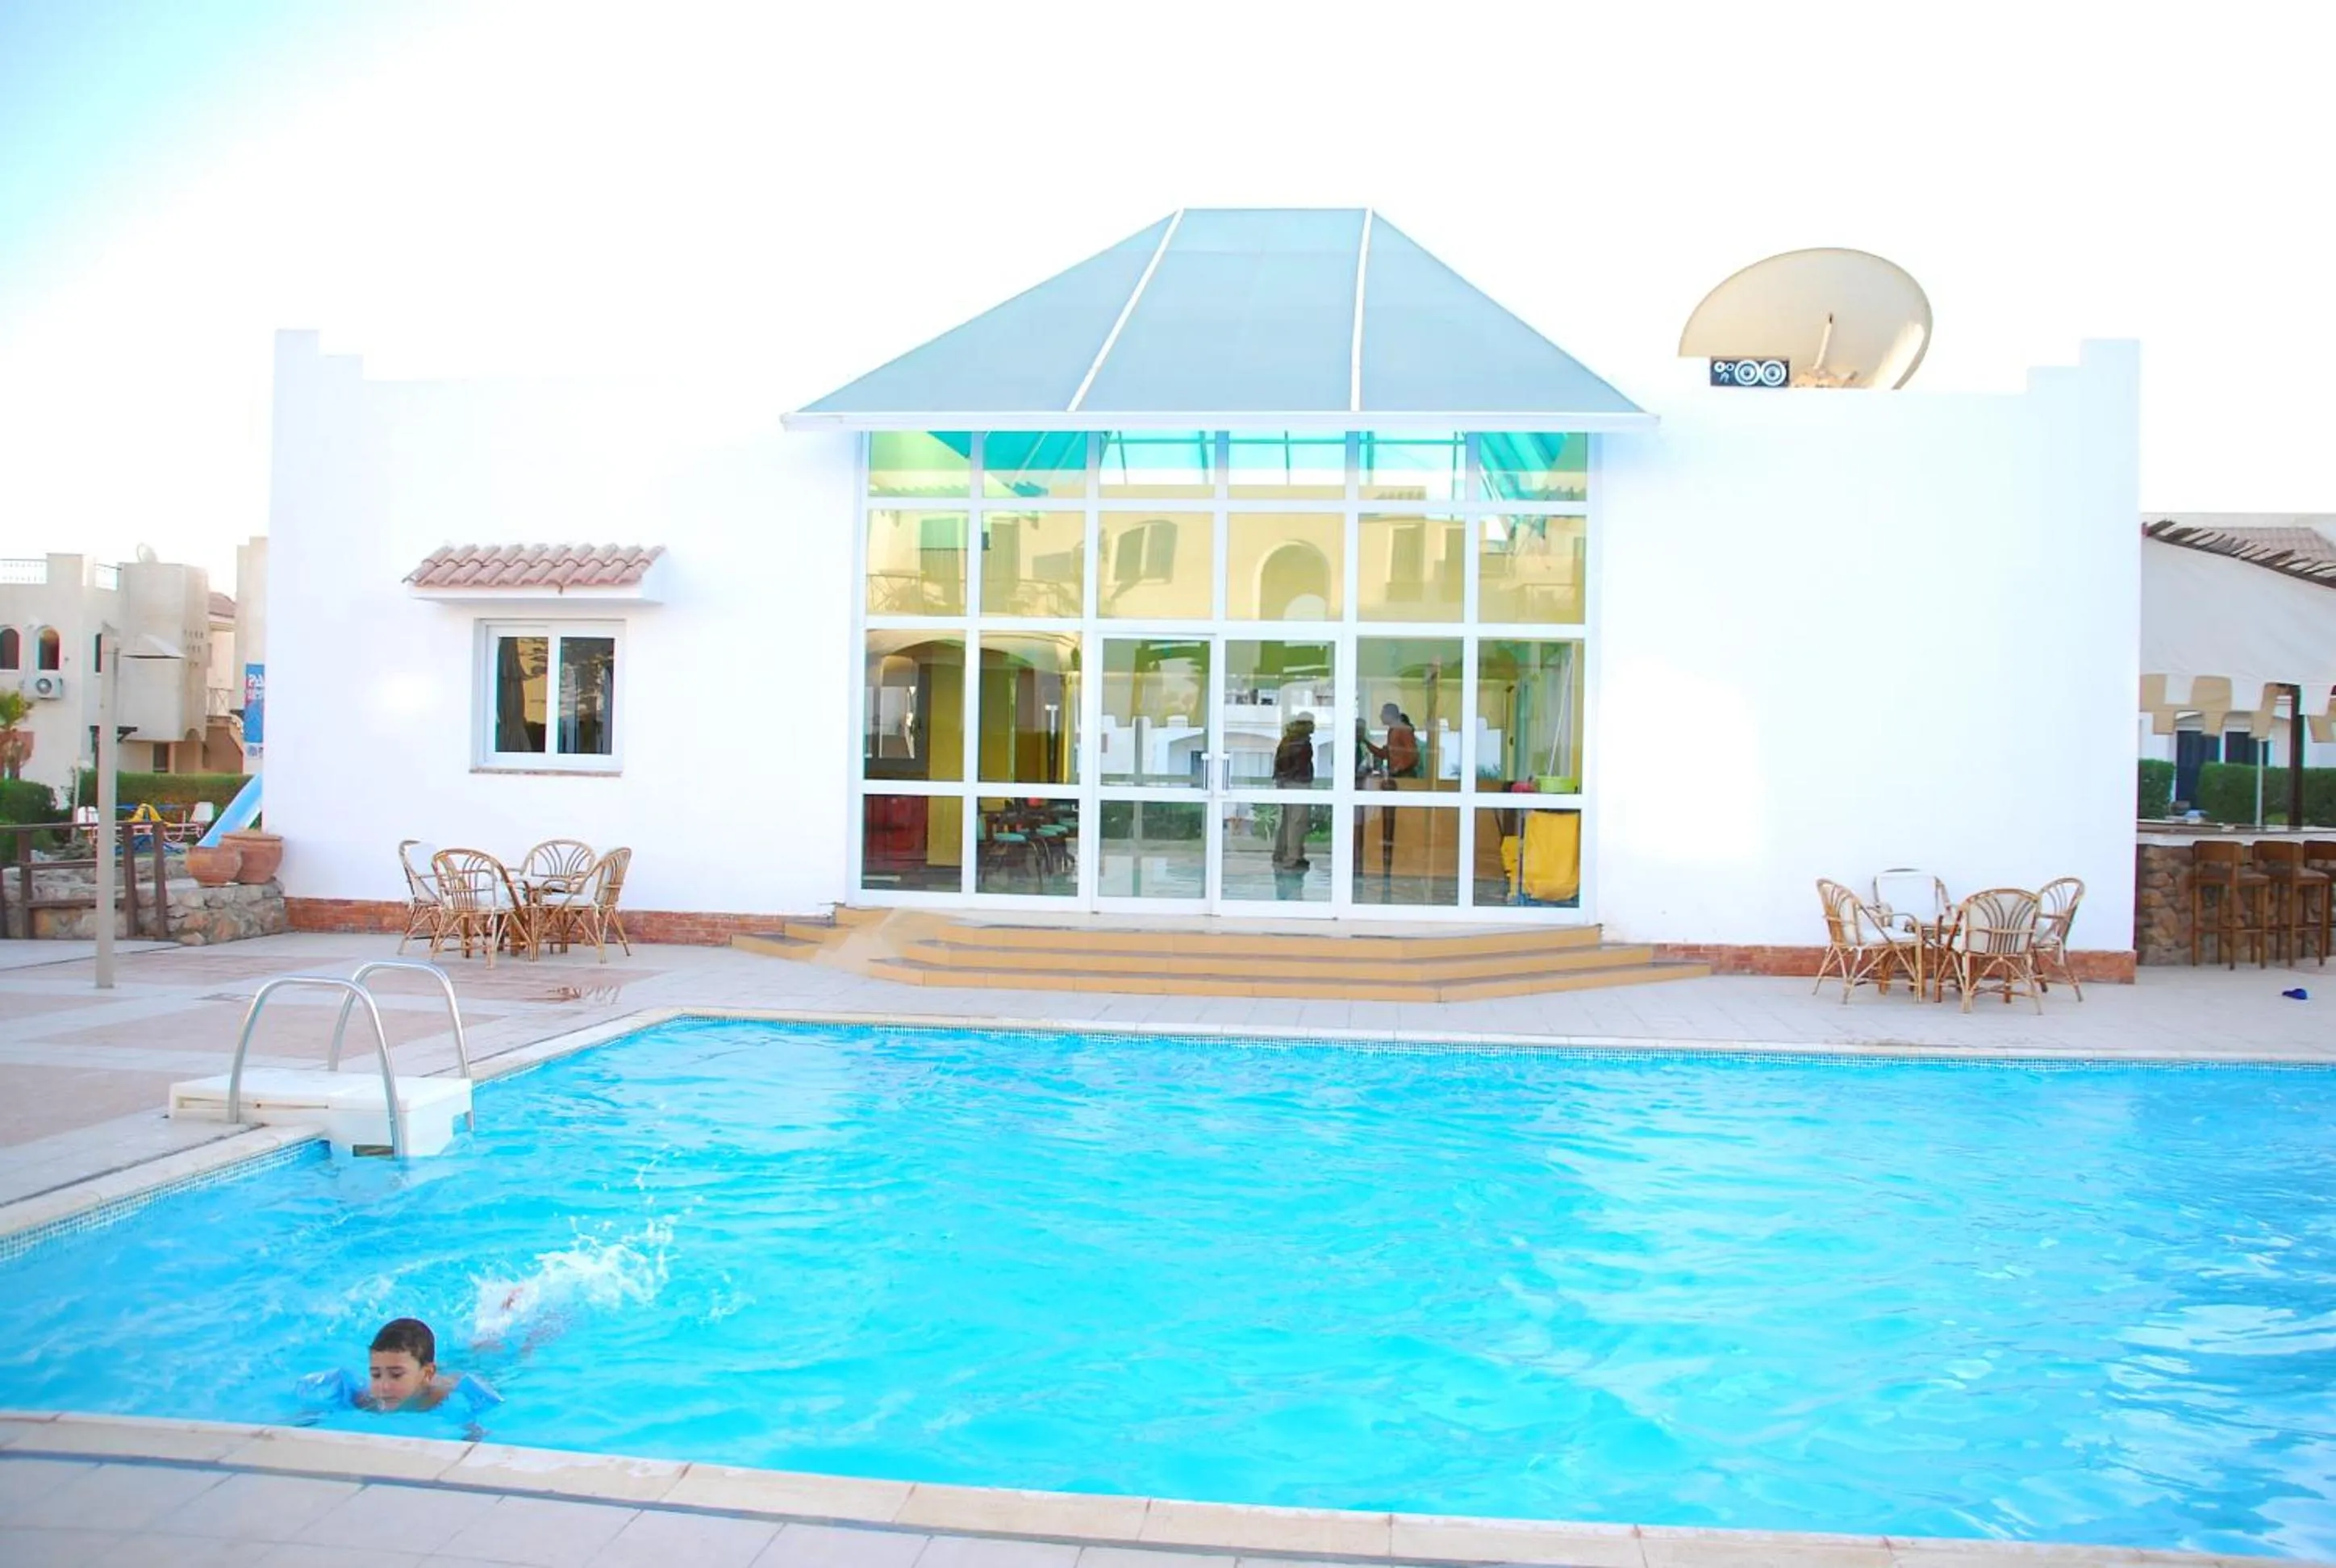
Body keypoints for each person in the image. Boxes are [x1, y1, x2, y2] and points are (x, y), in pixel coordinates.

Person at [361, 1317, 494, 1413]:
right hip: (429, 1367)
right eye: (376, 1375)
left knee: (479, 1357)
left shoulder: (444, 1397)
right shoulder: (371, 1400)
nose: (383, 1386)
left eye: (396, 1375)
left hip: (476, 1373)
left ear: (427, 1374)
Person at [1270, 716, 1316, 873]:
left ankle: (1281, 852)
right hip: (1298, 783)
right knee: (1298, 820)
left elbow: (1280, 764)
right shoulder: (1303, 744)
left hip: (1285, 782)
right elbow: (1301, 765)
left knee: (1287, 819)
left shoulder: (1285, 742)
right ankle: (1293, 857)